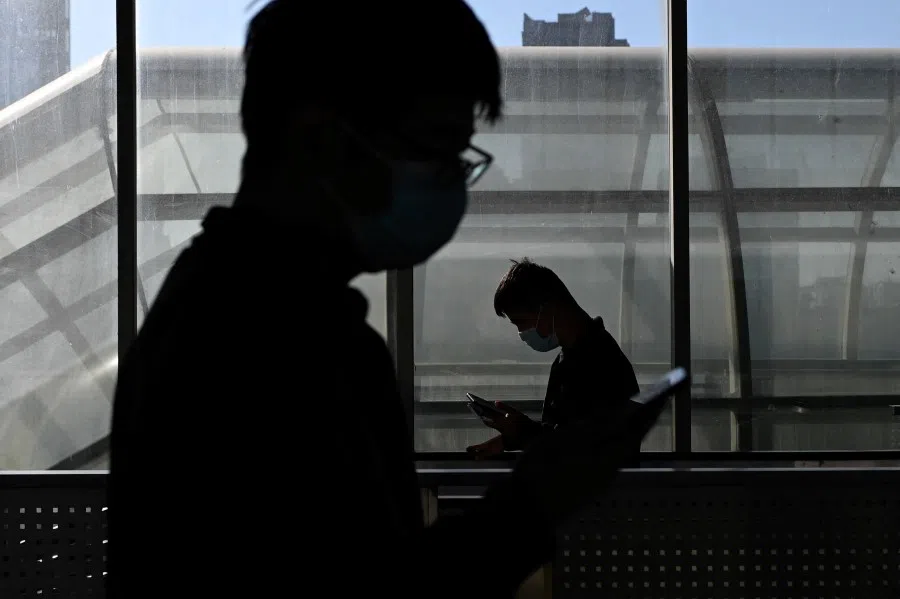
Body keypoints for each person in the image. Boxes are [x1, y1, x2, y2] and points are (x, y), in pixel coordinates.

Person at [107, 2, 665, 598]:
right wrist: (527, 511)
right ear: (324, 133)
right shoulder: (282, 344)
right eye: (437, 152)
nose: (451, 185)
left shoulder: (221, 311)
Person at [467, 258, 641, 459]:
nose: (522, 333)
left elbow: (589, 449)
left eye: (521, 322)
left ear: (548, 308)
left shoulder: (603, 364)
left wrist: (524, 433)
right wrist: (511, 440)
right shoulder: (568, 359)